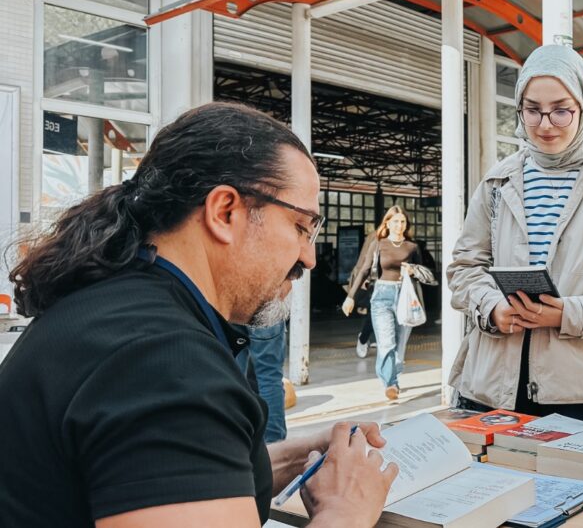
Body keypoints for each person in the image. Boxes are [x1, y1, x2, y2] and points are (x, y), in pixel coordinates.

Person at [0, 103, 396, 528]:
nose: (309, 257)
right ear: (224, 211)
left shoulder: (118, 309)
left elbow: (168, 470)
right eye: (301, 227)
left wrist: (303, 453)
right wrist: (346, 511)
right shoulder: (162, 364)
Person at [447, 44, 583, 430]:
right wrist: (492, 307)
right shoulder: (496, 182)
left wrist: (568, 314)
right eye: (532, 109)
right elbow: (464, 268)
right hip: (493, 383)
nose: (545, 124)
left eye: (561, 110)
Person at [342, 206, 425, 401]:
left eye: (403, 221)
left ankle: (393, 378)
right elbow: (363, 270)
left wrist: (413, 270)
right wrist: (350, 296)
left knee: (400, 346)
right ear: (387, 223)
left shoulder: (412, 247)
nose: (399, 225)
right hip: (382, 296)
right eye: (395, 221)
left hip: (405, 296)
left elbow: (424, 271)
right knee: (386, 343)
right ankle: (390, 384)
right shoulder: (378, 244)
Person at [237, 322, 289, 443]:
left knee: (234, 374)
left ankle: (235, 436)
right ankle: (273, 441)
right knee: (269, 376)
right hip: (265, 310)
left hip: (230, 308)